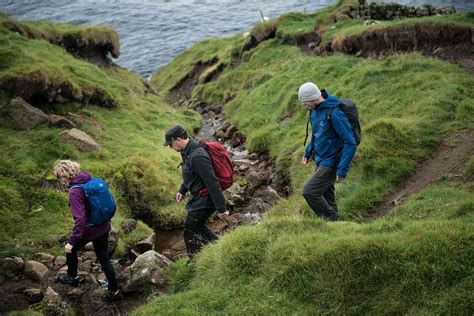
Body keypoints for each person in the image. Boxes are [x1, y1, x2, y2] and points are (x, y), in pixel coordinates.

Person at [53, 160, 121, 301]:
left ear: (64, 176)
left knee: (70, 250)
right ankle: (114, 291)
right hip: (103, 225)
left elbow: (80, 219)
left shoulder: (74, 191)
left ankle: (72, 276)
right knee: (103, 257)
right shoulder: (88, 179)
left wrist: (72, 241)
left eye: (60, 177)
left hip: (89, 229)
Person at [164, 125, 229, 259]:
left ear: (177, 139)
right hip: (198, 196)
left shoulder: (197, 156)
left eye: (170, 144)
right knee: (198, 227)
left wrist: (222, 208)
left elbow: (212, 182)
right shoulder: (187, 151)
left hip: (205, 199)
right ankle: (223, 249)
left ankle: (194, 262)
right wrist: (182, 190)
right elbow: (191, 175)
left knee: (190, 231)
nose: (170, 147)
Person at [299, 82, 356, 221]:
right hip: (320, 159)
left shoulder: (334, 113)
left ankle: (331, 218)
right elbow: (316, 133)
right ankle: (335, 227)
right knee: (325, 194)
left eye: (305, 102)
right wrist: (308, 152)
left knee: (310, 192)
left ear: (313, 98)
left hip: (331, 162)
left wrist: (342, 169)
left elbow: (350, 142)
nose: (305, 105)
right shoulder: (314, 110)